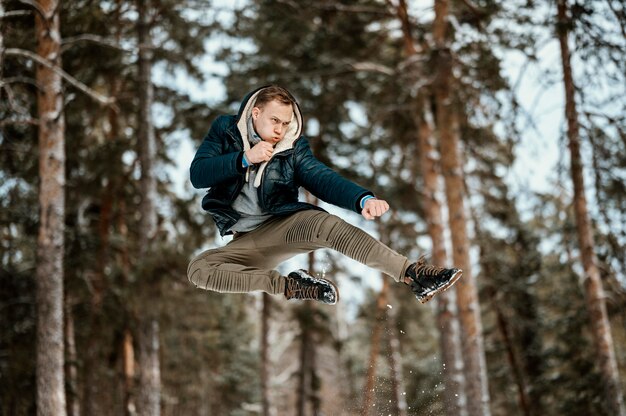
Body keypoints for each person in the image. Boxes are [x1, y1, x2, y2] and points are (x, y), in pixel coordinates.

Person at [187, 85, 462, 305]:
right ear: (255, 113)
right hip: (246, 241)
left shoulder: (292, 148)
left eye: (285, 123)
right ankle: (291, 286)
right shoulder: (225, 131)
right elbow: (199, 174)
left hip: (282, 227)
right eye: (274, 120)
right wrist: (244, 159)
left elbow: (320, 177)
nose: (279, 130)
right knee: (199, 270)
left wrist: (361, 199)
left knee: (326, 225)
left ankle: (413, 274)